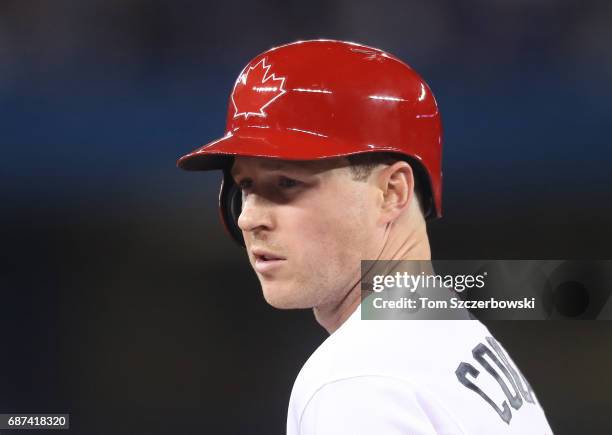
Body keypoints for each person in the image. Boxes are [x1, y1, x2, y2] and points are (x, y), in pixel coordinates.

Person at [177, 40, 552, 434]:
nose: (248, 218)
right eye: (247, 186)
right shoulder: (455, 338)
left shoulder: (358, 381)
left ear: (392, 193)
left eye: (287, 183)